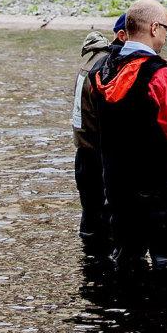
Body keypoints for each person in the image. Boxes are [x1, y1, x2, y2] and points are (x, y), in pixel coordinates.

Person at [89, 0, 167, 278]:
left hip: (118, 193)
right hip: (158, 197)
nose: (166, 36)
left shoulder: (100, 71)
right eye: (166, 29)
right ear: (154, 28)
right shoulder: (161, 75)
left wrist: (164, 159)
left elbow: (116, 134)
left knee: (127, 267)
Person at [73, 13, 127, 257]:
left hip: (84, 156)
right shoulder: (106, 67)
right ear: (122, 36)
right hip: (99, 157)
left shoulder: (92, 61)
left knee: (91, 225)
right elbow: (113, 120)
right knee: (105, 229)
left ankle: (93, 280)